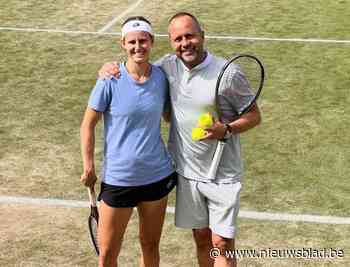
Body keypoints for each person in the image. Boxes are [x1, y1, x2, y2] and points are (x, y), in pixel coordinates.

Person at [98, 12, 261, 267]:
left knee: (222, 243)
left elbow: (254, 116)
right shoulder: (167, 68)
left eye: (190, 36)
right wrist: (109, 68)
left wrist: (227, 129)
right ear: (171, 43)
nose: (185, 43)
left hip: (223, 174)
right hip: (187, 172)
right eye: (178, 39)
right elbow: (136, 67)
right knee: (202, 239)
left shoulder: (228, 73)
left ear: (202, 36)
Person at [80, 16, 177, 267]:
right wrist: (88, 166)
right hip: (119, 179)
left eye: (143, 41)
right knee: (108, 254)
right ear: (123, 44)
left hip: (156, 175)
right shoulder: (109, 80)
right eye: (132, 42)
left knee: (150, 245)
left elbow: (169, 116)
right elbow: (87, 125)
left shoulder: (161, 78)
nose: (138, 47)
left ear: (152, 42)